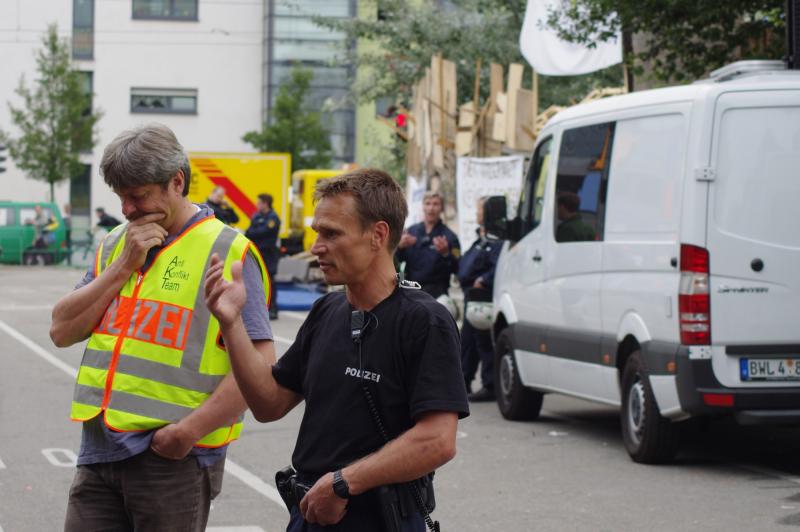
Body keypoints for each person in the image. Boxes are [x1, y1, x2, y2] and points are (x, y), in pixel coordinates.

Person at [205, 168, 469, 531]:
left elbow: (438, 440)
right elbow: (268, 404)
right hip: (310, 514)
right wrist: (232, 325)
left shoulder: (425, 321)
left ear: (377, 235)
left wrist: (343, 483)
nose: (316, 248)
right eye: (317, 233)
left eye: (331, 234)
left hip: (379, 519)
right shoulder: (327, 311)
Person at [49, 123, 272, 531]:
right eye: (121, 198)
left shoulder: (227, 250)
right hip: (100, 450)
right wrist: (122, 267)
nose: (128, 209)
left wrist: (188, 432)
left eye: (138, 196)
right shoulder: (118, 243)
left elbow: (259, 364)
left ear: (176, 181)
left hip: (172, 460)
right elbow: (61, 330)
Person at [458, 198, 503, 402]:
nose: (476, 213)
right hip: (471, 297)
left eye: (479, 209)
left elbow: (498, 267)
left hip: (482, 298)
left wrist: (483, 280)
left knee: (483, 342)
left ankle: (490, 385)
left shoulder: (496, 240)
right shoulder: (481, 239)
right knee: (467, 342)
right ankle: (463, 381)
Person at [395, 191, 460, 298]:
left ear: (442, 208)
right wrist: (399, 247)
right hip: (411, 291)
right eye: (428, 203)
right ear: (423, 207)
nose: (431, 208)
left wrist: (446, 254)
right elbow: (395, 261)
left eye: (435, 204)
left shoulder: (450, 237)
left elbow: (458, 267)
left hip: (438, 293)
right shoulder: (410, 231)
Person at [245, 193, 281, 320]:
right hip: (258, 252)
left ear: (265, 203)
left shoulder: (273, 218)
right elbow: (249, 232)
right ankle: (261, 308)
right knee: (257, 279)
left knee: (270, 280)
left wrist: (254, 232)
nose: (257, 204)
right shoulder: (257, 216)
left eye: (259, 202)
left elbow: (262, 232)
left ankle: (273, 309)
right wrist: (254, 232)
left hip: (269, 254)